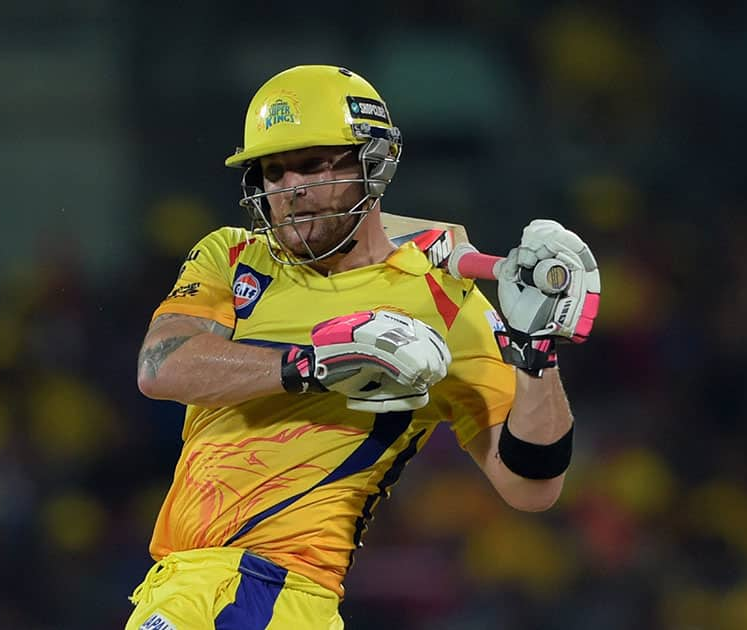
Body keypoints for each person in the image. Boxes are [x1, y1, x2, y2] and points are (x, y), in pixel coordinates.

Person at [128, 65, 600, 630]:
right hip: (187, 584)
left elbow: (531, 485)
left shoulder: (443, 301)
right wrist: (317, 364)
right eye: (273, 171)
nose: (291, 188)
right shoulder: (232, 256)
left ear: (371, 164)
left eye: (313, 164)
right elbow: (162, 366)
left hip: (269, 591)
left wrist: (537, 354)